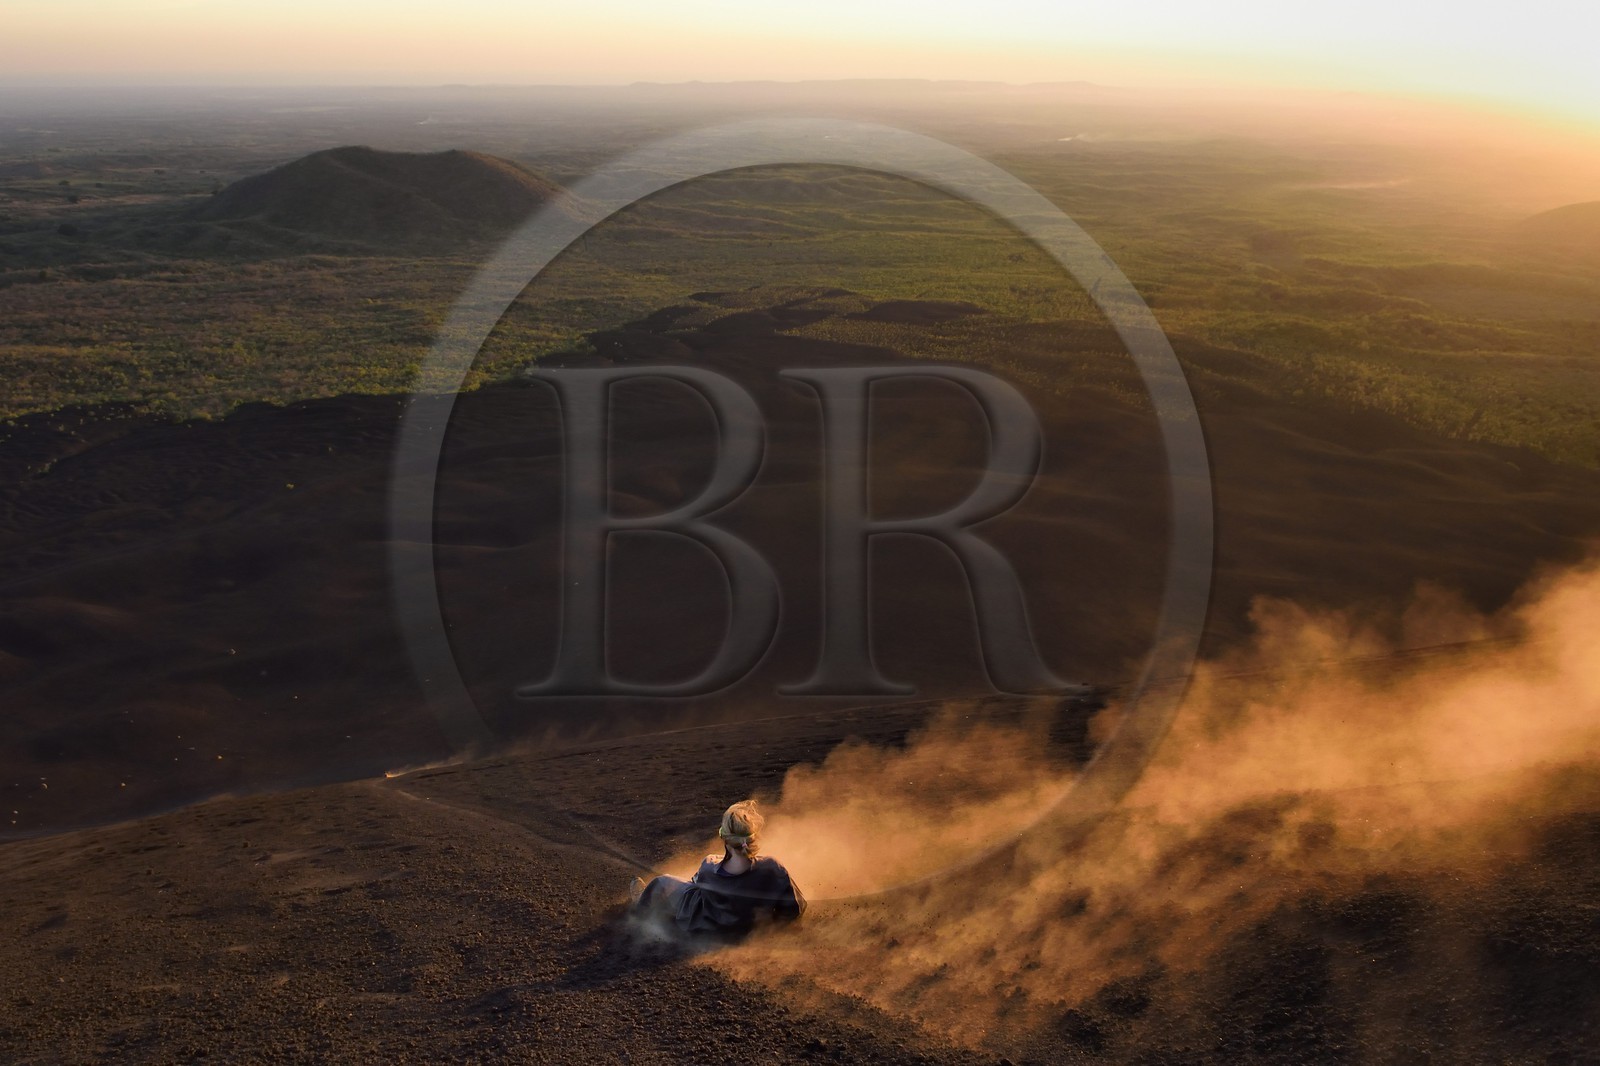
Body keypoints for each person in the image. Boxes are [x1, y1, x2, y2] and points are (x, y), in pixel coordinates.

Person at [631, 800, 805, 940]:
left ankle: (640, 904)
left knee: (664, 881)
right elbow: (795, 907)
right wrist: (772, 926)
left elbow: (696, 885)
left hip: (709, 927)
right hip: (750, 930)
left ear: (725, 838)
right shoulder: (773, 868)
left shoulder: (709, 865)